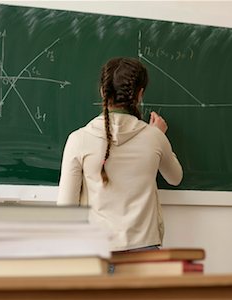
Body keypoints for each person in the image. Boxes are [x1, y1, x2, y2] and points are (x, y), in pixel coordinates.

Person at [57, 57, 183, 252]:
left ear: (102, 91)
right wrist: (159, 134)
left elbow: (66, 208)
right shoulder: (154, 137)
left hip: (96, 250)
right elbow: (175, 177)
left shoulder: (78, 139)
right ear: (140, 94)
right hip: (145, 249)